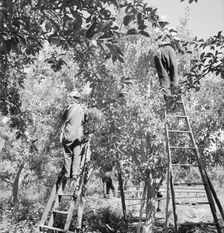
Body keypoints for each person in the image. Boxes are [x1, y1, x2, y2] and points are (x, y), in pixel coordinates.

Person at [60, 84, 92, 179]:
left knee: (67, 154)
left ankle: (66, 174)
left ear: (72, 98)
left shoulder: (68, 108)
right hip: (78, 135)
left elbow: (63, 117)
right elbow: (86, 119)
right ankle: (75, 174)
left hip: (69, 134)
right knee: (77, 155)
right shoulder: (83, 109)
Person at [154, 15, 180, 103]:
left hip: (160, 51)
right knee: (172, 75)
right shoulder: (162, 31)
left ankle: (171, 100)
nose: (161, 25)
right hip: (165, 50)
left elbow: (176, 40)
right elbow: (177, 41)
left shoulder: (164, 31)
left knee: (166, 78)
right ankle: (172, 100)